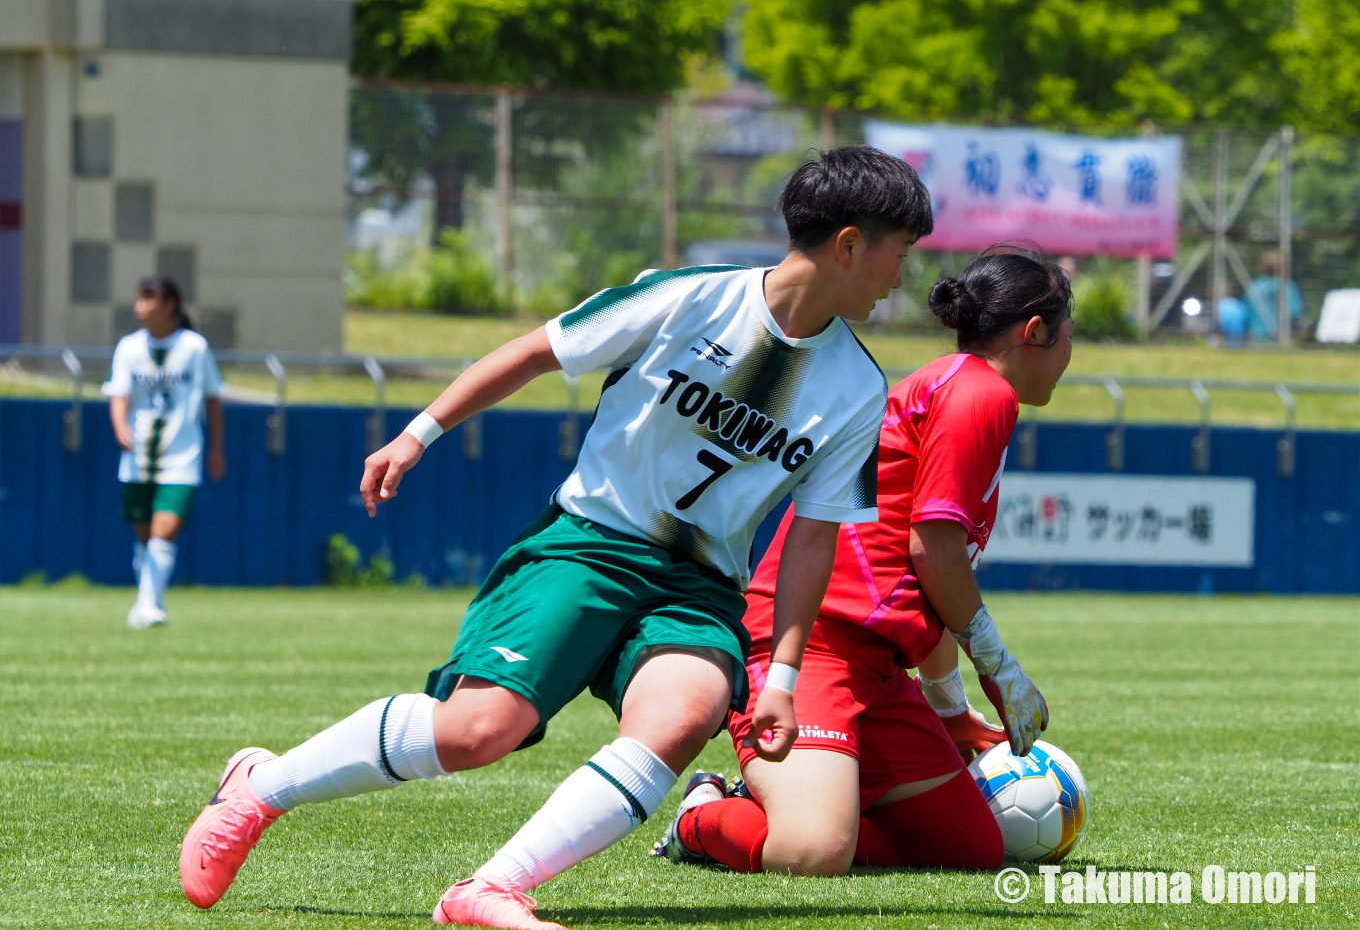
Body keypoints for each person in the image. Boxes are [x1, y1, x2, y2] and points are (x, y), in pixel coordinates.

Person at [177, 146, 934, 929]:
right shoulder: (687, 297)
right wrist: (417, 433)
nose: (900, 278)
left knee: (685, 714)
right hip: (588, 544)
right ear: (849, 245)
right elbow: (536, 352)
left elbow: (812, 536)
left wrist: (782, 674)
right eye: (901, 254)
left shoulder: (858, 387)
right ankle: (259, 788)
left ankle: (490, 889)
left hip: (698, 588)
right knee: (478, 730)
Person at [654, 247, 1073, 877]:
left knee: (968, 851)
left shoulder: (963, 386)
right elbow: (934, 549)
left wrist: (949, 708)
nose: (1070, 353)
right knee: (812, 852)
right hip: (812, 649)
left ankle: (815, 797)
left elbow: (924, 583)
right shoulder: (981, 393)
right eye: (1069, 336)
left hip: (875, 669)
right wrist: (1000, 668)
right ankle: (705, 813)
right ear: (1035, 331)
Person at [102, 276, 224, 629]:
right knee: (145, 538)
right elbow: (118, 394)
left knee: (165, 530)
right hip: (138, 457)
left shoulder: (194, 347)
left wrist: (217, 449)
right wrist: (120, 426)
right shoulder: (129, 347)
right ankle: (148, 603)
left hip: (182, 456)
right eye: (138, 299)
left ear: (169, 304)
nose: (139, 306)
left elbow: (213, 399)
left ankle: (148, 606)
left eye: (147, 299)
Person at [1244, 252, 1303, 341]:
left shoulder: (1253, 287)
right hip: (1279, 338)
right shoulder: (1287, 286)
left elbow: (1245, 313)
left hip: (1255, 337)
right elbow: (1295, 313)